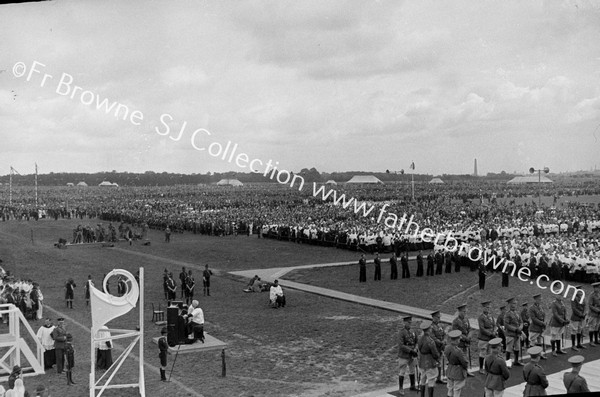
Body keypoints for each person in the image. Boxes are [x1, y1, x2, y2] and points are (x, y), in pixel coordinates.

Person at [417, 320, 440, 397]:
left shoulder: (420, 339)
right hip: (430, 362)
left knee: (422, 380)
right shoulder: (431, 341)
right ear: (429, 329)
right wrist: (438, 358)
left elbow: (419, 349)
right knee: (431, 381)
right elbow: (435, 353)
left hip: (422, 362)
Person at [397, 316, 418, 395]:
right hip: (404, 355)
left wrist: (415, 349)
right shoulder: (401, 332)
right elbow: (401, 345)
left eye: (410, 322)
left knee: (412, 370)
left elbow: (416, 341)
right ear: (404, 323)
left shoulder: (413, 331)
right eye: (408, 322)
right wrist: (411, 351)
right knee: (402, 371)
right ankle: (401, 388)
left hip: (412, 355)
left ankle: (412, 385)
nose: (410, 324)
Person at [452, 304, 473, 376]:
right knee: (460, 358)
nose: (465, 313)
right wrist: (465, 338)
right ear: (459, 312)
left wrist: (469, 336)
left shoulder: (466, 319)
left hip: (466, 342)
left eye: (465, 311)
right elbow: (456, 332)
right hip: (460, 342)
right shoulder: (455, 321)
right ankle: (460, 372)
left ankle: (466, 371)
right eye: (463, 312)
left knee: (465, 357)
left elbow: (469, 329)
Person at [445, 330, 468, 397]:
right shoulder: (458, 351)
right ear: (456, 340)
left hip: (450, 369)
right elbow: (464, 362)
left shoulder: (447, 348)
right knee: (457, 390)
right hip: (458, 371)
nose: (459, 340)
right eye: (458, 339)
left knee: (450, 388)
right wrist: (465, 367)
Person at [504, 297, 524, 366]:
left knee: (517, 347)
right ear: (509, 304)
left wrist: (520, 328)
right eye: (513, 303)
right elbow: (506, 324)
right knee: (509, 349)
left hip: (517, 334)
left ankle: (516, 361)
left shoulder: (517, 313)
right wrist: (515, 329)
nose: (514, 305)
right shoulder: (507, 314)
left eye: (515, 303)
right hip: (510, 334)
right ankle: (508, 363)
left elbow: (521, 322)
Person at [477, 301, 496, 374]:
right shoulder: (481, 317)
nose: (488, 309)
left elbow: (494, 325)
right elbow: (482, 328)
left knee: (489, 353)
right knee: (483, 353)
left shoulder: (490, 316)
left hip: (490, 338)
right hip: (483, 338)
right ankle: (481, 368)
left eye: (488, 307)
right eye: (486, 307)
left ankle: (488, 367)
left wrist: (494, 332)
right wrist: (490, 334)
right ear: (483, 308)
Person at [529, 294, 547, 359]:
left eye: (541, 299)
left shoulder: (540, 307)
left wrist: (544, 322)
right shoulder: (532, 308)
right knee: (533, 341)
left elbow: (543, 315)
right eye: (539, 299)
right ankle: (532, 356)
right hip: (535, 327)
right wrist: (542, 323)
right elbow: (533, 318)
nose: (540, 300)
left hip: (540, 327)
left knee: (540, 341)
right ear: (535, 300)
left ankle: (539, 354)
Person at [431, 311, 447, 384]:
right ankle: (432, 378)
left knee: (439, 362)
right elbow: (433, 338)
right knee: (434, 363)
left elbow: (444, 334)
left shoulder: (440, 326)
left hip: (440, 347)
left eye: (439, 317)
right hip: (434, 347)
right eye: (438, 317)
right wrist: (441, 342)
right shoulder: (431, 327)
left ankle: (438, 378)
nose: (439, 319)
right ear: (433, 318)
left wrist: (444, 340)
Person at [569, 286, 586, 351]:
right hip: (576, 317)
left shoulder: (582, 298)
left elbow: (585, 306)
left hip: (581, 317)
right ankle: (573, 345)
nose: (581, 292)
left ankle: (579, 343)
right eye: (579, 291)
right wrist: (581, 314)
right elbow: (574, 309)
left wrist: (584, 314)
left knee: (580, 330)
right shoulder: (573, 298)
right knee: (574, 330)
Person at [588, 281, 600, 346]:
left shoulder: (599, 294)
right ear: (594, 288)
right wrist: (597, 310)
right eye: (597, 288)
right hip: (593, 313)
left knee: (597, 326)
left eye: (598, 287)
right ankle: (591, 341)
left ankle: (596, 340)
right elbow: (590, 305)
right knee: (592, 327)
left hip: (598, 314)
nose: (598, 289)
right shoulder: (591, 295)